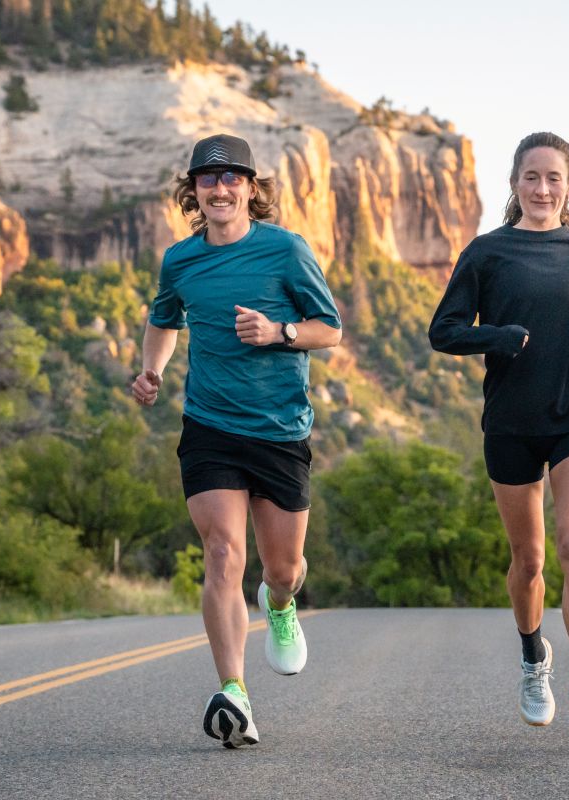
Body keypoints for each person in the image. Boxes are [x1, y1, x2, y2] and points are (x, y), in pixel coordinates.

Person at [131, 133, 342, 749]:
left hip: (278, 431)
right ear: (193, 191)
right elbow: (163, 318)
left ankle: (279, 605)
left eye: (232, 180)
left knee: (283, 568)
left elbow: (329, 331)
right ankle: (235, 694)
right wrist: (154, 371)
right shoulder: (181, 260)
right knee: (222, 552)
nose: (220, 190)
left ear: (251, 189)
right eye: (208, 180)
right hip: (210, 427)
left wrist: (278, 331)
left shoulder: (285, 251)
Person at [428, 131, 569, 734]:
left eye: (553, 178)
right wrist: (495, 336)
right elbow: (442, 331)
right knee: (529, 560)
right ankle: (532, 658)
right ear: (514, 184)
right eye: (531, 177)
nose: (542, 188)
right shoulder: (486, 253)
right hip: (511, 422)